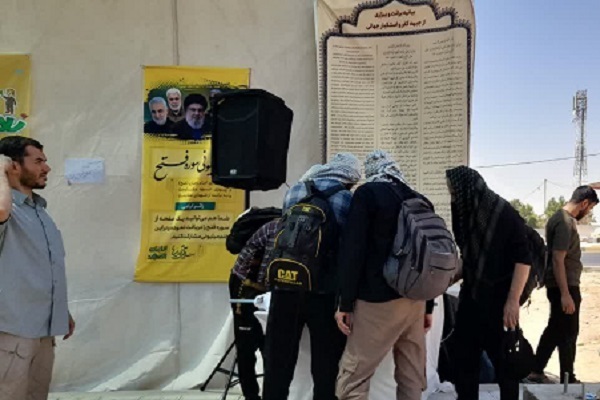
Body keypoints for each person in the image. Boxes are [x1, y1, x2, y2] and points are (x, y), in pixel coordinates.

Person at [335, 150, 434, 400]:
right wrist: (428, 306)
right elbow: (429, 257)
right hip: (415, 301)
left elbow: (353, 250)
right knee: (411, 375)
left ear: (371, 171)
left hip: (377, 301)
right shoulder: (420, 199)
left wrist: (345, 302)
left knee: (354, 376)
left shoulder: (368, 194)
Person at [262, 153, 361, 400]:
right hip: (324, 291)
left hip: (285, 285)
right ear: (349, 176)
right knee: (326, 365)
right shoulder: (345, 198)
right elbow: (348, 248)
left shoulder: (296, 190)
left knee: (277, 360)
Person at [445, 166, 531, 400]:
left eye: (454, 193)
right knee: (464, 361)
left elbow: (523, 260)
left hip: (500, 302)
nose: (453, 198)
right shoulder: (467, 216)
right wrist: (446, 278)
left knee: (504, 365)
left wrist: (513, 301)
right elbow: (469, 258)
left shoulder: (504, 215)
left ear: (467, 190)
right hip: (472, 298)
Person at [0, 136, 75, 400]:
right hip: (11, 332)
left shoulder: (39, 211)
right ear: (13, 166)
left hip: (43, 330)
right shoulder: (7, 209)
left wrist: (60, 309)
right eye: (38, 161)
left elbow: (41, 265)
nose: (47, 168)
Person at [528, 186, 598, 384]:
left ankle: (536, 370)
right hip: (564, 285)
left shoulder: (559, 218)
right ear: (584, 203)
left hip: (561, 285)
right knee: (568, 333)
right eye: (590, 208)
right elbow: (558, 259)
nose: (588, 213)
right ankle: (568, 378)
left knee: (555, 329)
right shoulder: (565, 222)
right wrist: (565, 294)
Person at [229, 218, 280, 400]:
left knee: (270, 345)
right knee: (247, 345)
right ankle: (251, 396)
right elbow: (266, 275)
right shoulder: (277, 230)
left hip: (267, 287)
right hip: (246, 284)